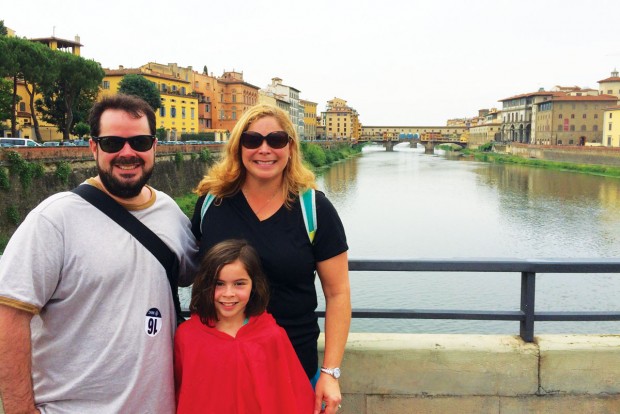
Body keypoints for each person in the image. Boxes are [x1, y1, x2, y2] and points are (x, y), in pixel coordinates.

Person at [0, 94, 198, 413]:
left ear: (154, 146)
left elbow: (210, 279)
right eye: (112, 143)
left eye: (140, 141)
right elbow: (8, 316)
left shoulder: (171, 214)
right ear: (94, 147)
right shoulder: (54, 219)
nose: (127, 153)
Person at [191, 104, 351, 414]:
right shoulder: (211, 202)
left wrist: (331, 373)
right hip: (220, 367)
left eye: (276, 140)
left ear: (291, 148)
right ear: (239, 148)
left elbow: (338, 293)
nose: (264, 149)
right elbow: (191, 269)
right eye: (253, 140)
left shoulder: (314, 209)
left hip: (291, 368)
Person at [174, 239, 315, 413]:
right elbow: (180, 394)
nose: (228, 293)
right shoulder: (187, 337)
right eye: (219, 283)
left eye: (239, 283)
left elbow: (291, 397)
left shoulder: (272, 336)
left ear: (254, 285)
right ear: (205, 284)